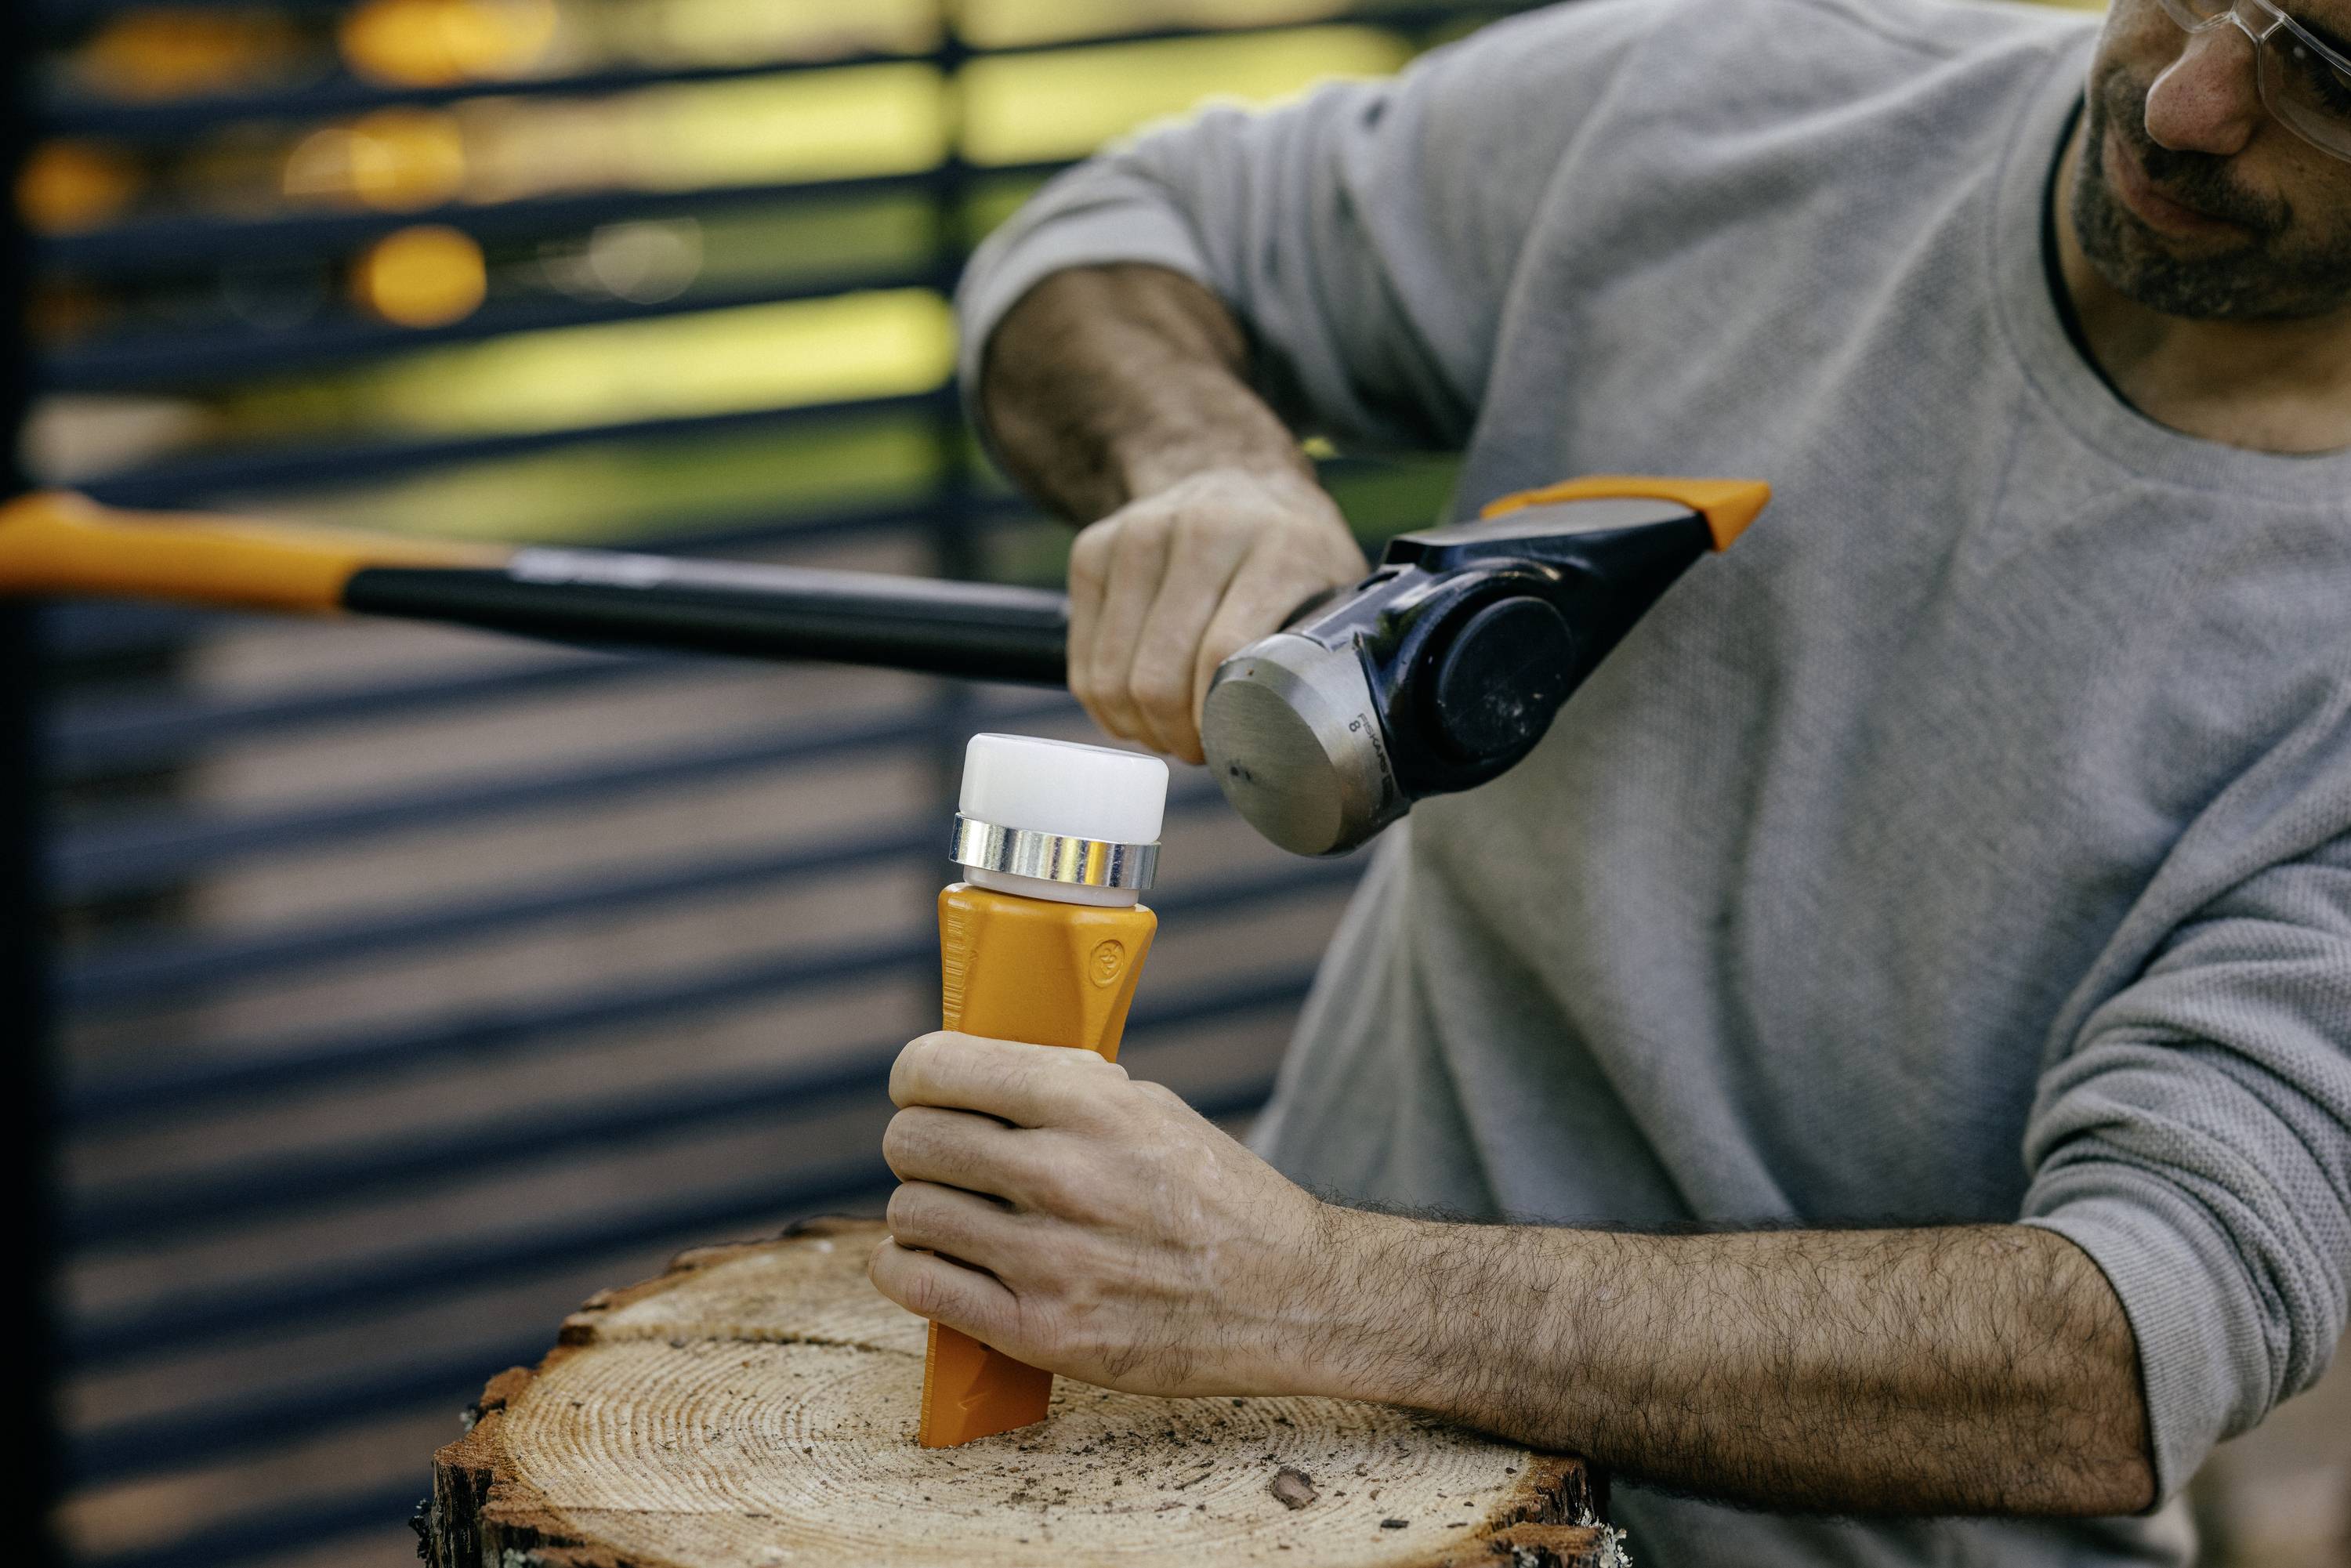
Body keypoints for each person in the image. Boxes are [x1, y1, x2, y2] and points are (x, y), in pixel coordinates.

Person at [864, 0, 2351, 1560]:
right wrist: (1202, 459)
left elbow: (2120, 1349)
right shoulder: (1744, 98)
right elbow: (1110, 237)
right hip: (1281, 1503)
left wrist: (1309, 1287)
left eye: (2322, 72)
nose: (2188, 100)